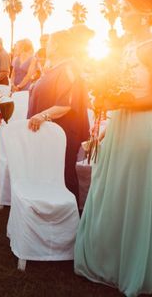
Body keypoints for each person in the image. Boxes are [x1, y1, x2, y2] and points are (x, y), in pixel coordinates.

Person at [75, 0, 152, 296]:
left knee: (134, 198)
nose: (121, 14)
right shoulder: (128, 46)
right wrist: (106, 97)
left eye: (126, 10)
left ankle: (132, 270)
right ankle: (110, 262)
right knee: (112, 191)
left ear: (145, 15)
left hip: (143, 131)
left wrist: (123, 99)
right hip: (121, 126)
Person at [26, 30, 89, 202]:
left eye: (50, 42)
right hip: (48, 131)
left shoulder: (69, 68)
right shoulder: (56, 67)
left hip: (63, 132)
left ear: (58, 46)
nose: (46, 46)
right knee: (49, 172)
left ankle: (69, 216)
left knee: (63, 174)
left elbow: (66, 104)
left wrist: (42, 116)